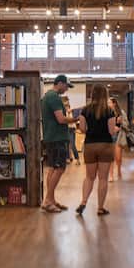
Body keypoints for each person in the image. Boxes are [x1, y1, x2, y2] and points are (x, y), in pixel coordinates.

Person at [76, 84, 118, 216]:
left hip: (90, 145)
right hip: (105, 145)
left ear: (92, 94)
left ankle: (83, 202)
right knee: (103, 179)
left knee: (89, 177)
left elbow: (82, 129)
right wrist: (117, 128)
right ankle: (100, 208)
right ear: (105, 95)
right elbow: (111, 131)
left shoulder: (85, 110)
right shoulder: (110, 111)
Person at [40, 75, 79, 213]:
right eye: (66, 86)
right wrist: (76, 119)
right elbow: (61, 119)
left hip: (52, 138)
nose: (67, 89)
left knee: (52, 168)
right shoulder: (54, 97)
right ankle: (48, 201)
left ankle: (50, 200)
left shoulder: (49, 96)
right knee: (59, 169)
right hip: (57, 138)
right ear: (60, 83)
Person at [109, 97, 130, 182]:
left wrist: (120, 123)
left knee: (118, 157)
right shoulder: (106, 112)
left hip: (119, 136)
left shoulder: (121, 113)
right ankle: (111, 175)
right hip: (109, 136)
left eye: (109, 102)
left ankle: (119, 170)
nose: (108, 104)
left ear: (114, 103)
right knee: (110, 157)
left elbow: (127, 124)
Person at [63, 98, 80, 165]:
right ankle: (67, 158)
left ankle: (77, 159)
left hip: (71, 129)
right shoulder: (64, 113)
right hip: (66, 129)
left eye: (67, 105)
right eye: (65, 105)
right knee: (66, 145)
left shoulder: (73, 112)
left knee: (72, 144)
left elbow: (75, 120)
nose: (66, 107)